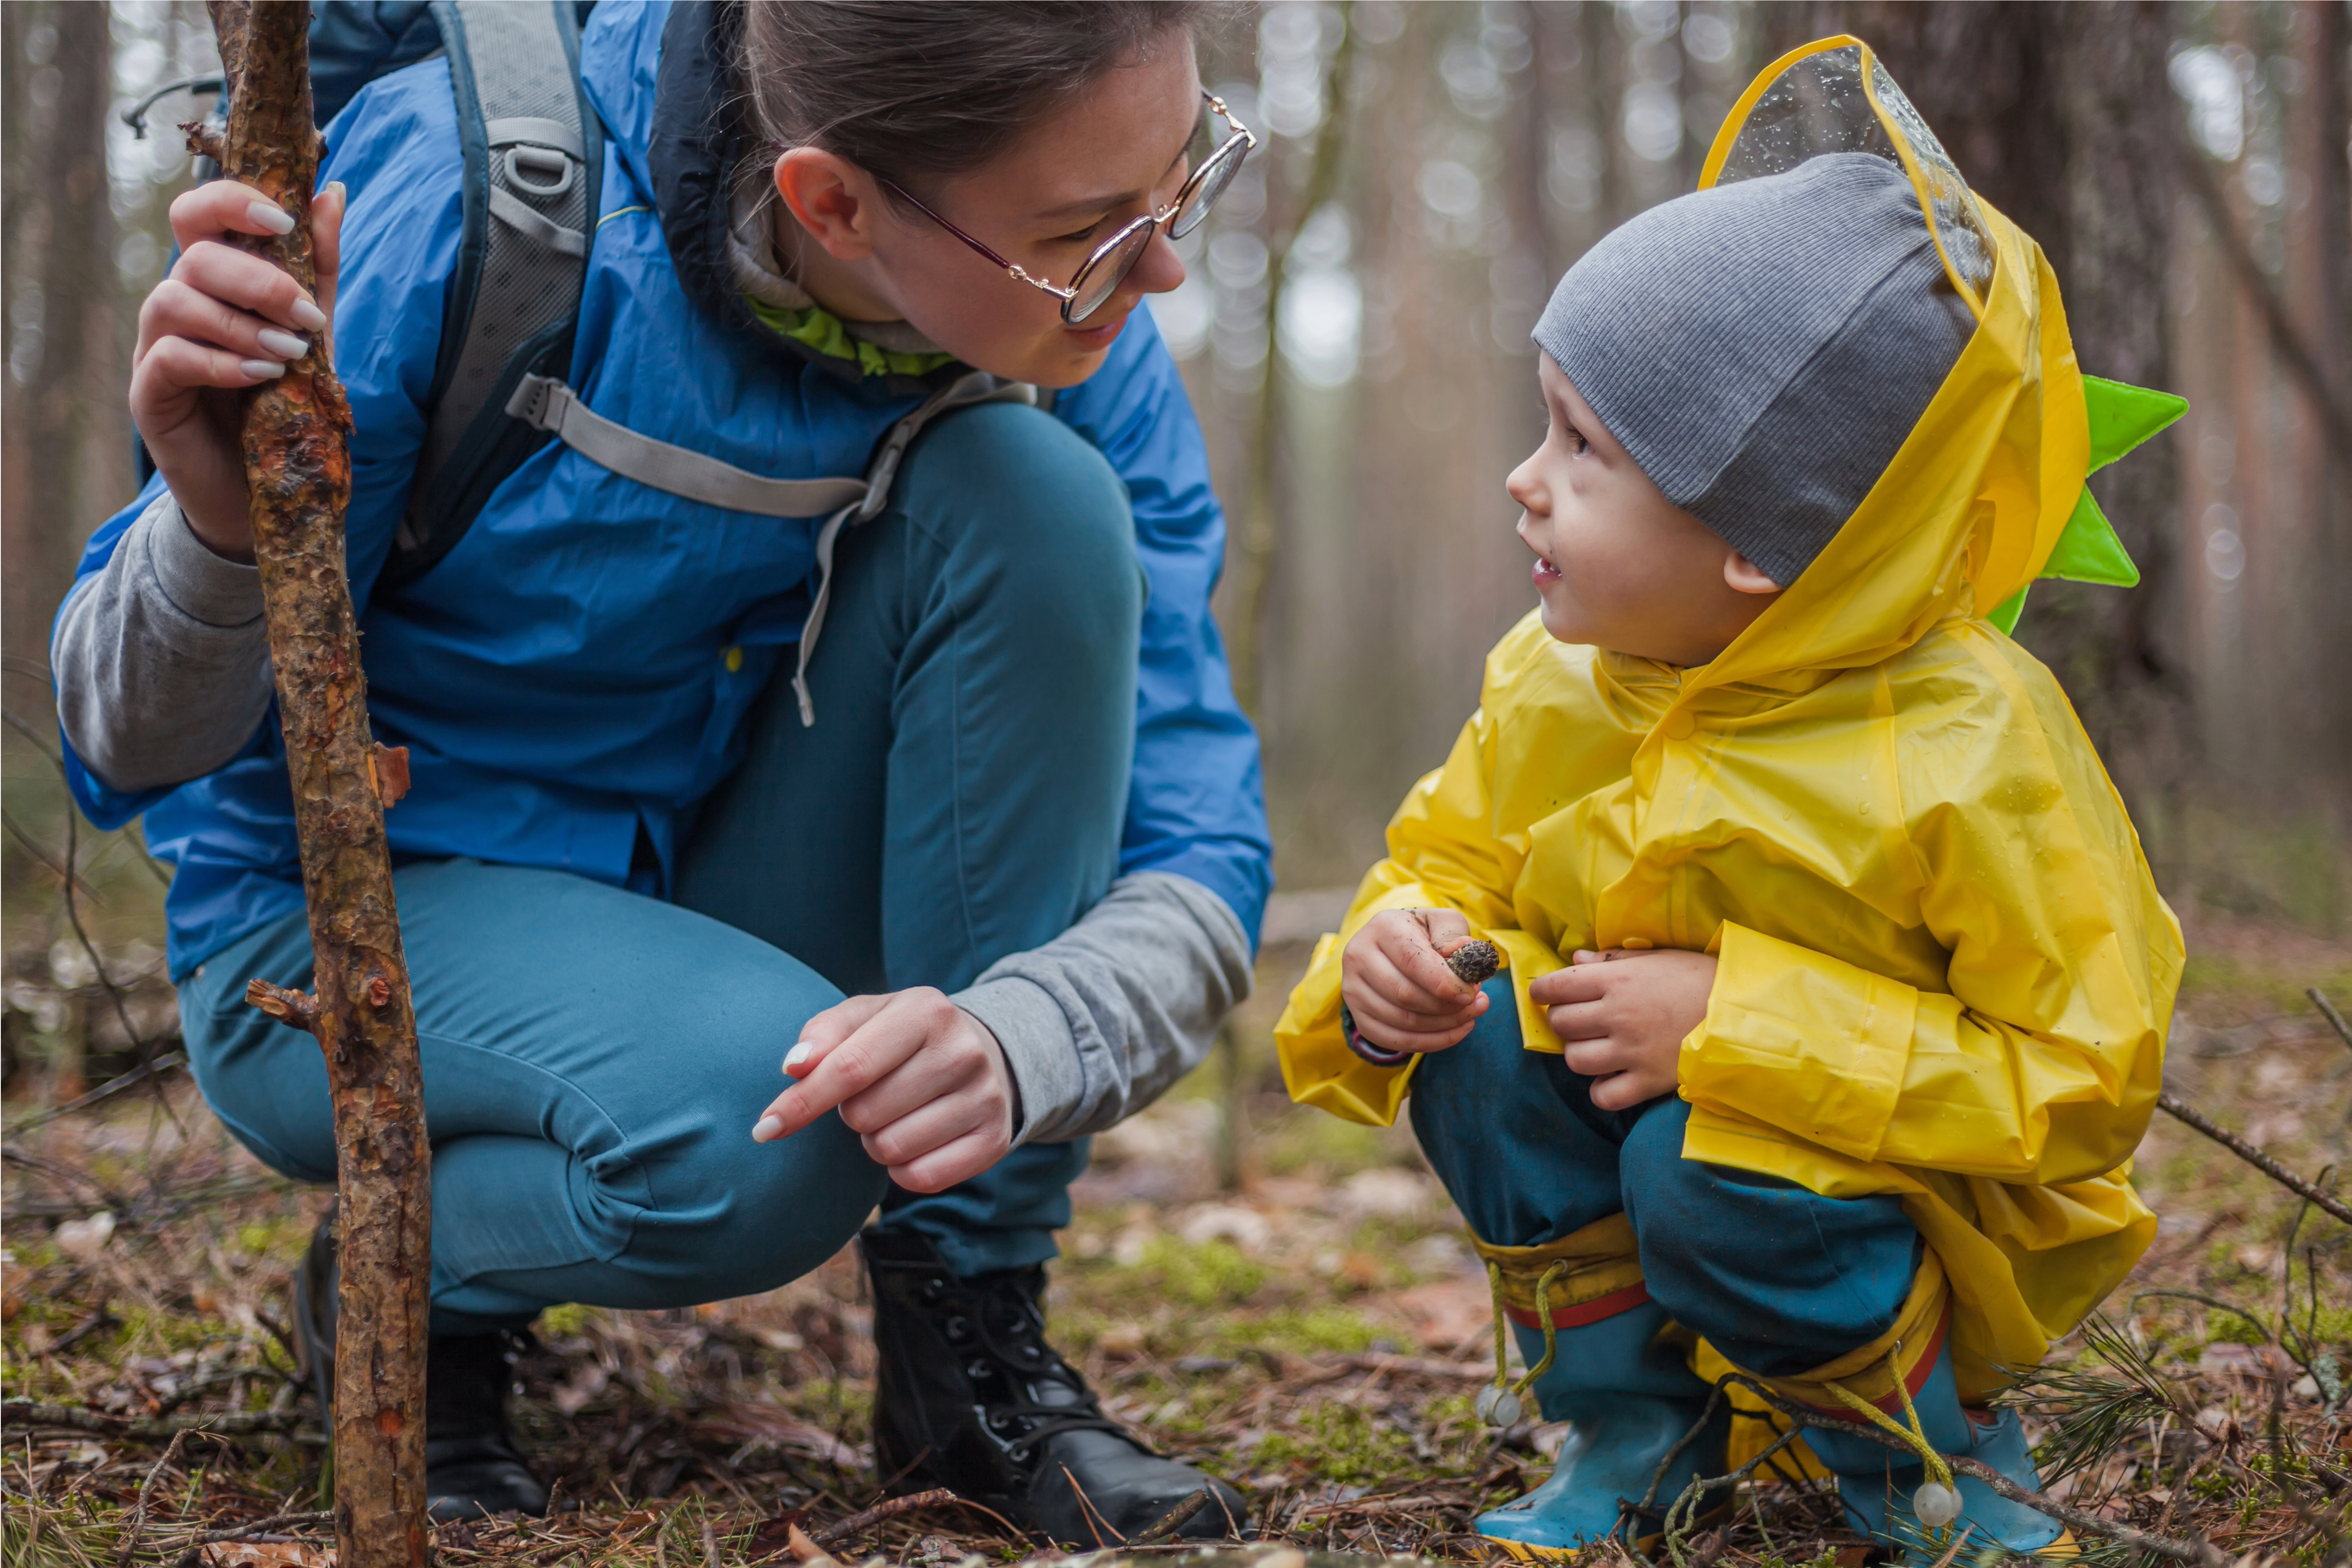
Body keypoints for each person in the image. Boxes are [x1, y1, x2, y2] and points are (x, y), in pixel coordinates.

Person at [52, 1, 1267, 1539]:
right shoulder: (475, 207)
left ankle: (969, 1346)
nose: (1158, 267)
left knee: (1037, 495)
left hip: (703, 887)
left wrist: (1029, 1034)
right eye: (1094, 226)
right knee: (771, 1146)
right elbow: (125, 740)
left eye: (1183, 180)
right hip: (343, 932)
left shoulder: (1069, 336)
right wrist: (219, 532)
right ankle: (407, 1267)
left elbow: (1195, 831)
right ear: (831, 200)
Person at [1273, 42, 2182, 1566]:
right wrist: (1390, 958)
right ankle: (1640, 1429)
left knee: (1707, 1150)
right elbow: (1449, 860)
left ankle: (1930, 1456)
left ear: (1760, 543)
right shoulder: (1562, 679)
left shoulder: (1971, 747)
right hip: (1670, 1158)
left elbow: (2087, 1079)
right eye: (1543, 424)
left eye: (1585, 449)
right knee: (1491, 1049)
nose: (1524, 481)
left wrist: (1738, 1029)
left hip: (1919, 1216)